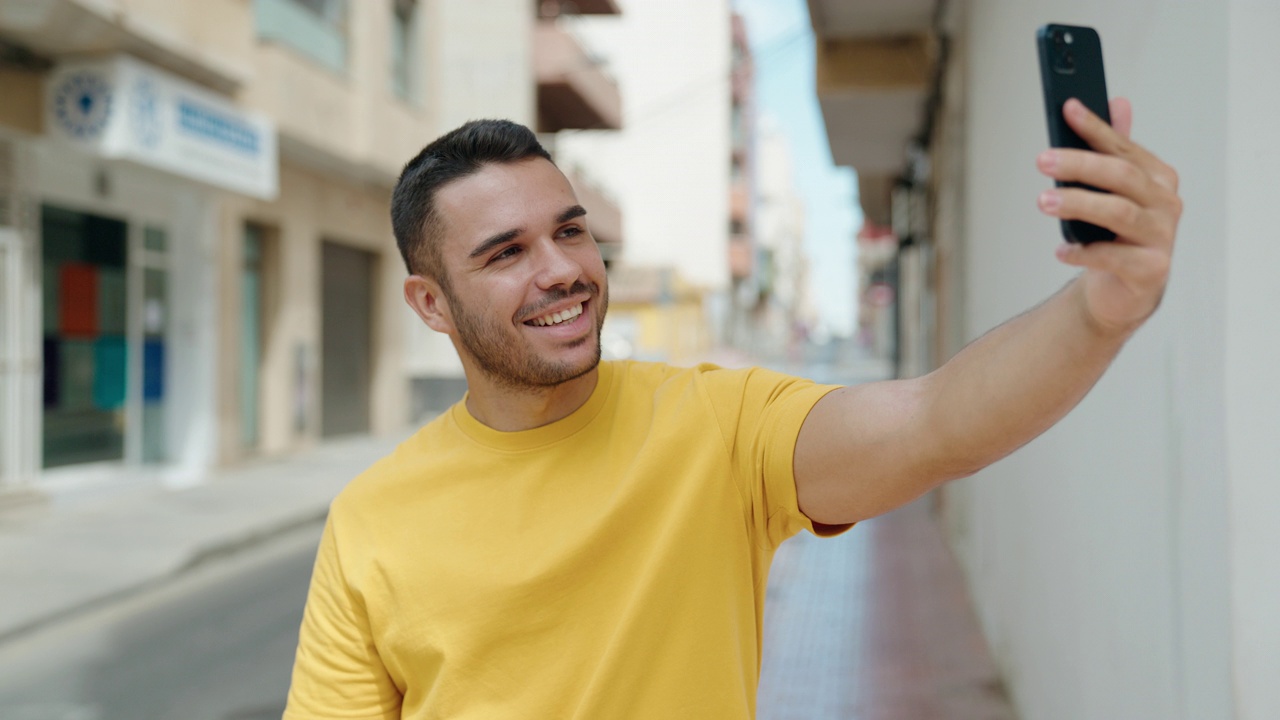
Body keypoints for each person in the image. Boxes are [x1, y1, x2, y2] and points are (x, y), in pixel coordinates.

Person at [283, 97, 1181, 719]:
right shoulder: (372, 520)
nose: (560, 268)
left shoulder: (716, 425)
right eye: (505, 252)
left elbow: (935, 424)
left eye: (569, 229)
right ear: (430, 305)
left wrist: (1100, 312)